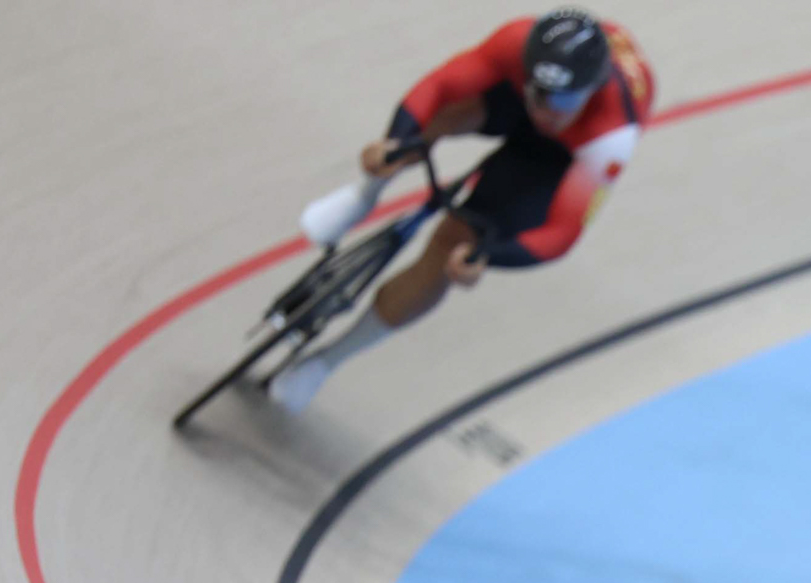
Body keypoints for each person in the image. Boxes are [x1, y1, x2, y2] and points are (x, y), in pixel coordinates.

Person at [269, 10, 655, 412]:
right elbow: (439, 85)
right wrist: (395, 142)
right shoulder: (514, 43)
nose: (548, 110)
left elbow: (562, 233)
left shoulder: (612, 135)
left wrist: (485, 256)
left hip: (560, 155)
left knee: (452, 246)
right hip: (513, 97)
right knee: (441, 118)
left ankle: (325, 363)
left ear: (590, 91)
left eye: (562, 100)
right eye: (541, 94)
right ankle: (361, 196)